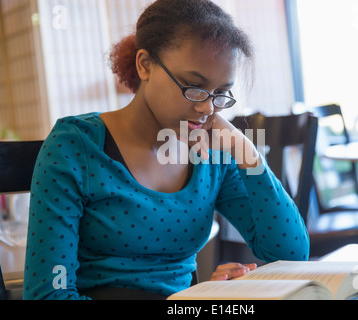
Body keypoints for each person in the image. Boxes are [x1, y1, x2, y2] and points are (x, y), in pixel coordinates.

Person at [23, 0, 309, 300]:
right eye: (193, 86)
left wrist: (247, 153)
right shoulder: (75, 147)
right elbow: (48, 295)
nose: (207, 108)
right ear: (145, 65)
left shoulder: (212, 154)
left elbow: (290, 252)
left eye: (221, 93)